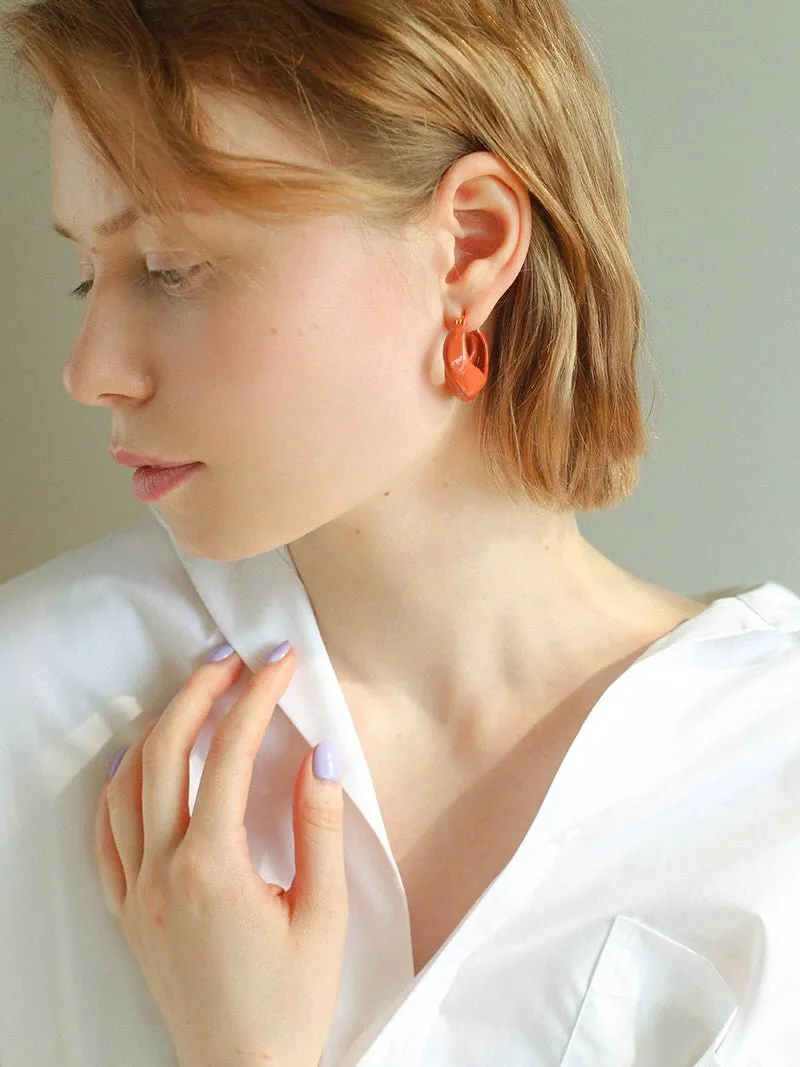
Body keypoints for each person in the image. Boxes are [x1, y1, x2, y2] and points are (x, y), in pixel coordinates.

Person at [1, 0, 798, 1064]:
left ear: (468, 244)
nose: (90, 369)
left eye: (172, 265)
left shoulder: (768, 772)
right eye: (82, 271)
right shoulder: (35, 709)